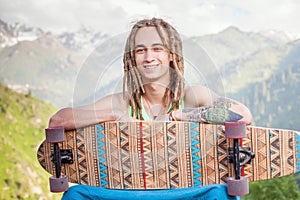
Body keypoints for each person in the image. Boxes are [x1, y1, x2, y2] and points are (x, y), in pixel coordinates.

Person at [49, 18, 252, 200]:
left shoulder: (192, 96)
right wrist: (113, 114)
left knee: (220, 193)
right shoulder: (121, 102)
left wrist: (178, 115)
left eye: (157, 48)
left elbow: (242, 113)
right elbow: (58, 120)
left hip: (185, 191)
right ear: (133, 58)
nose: (148, 57)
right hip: (128, 192)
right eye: (140, 50)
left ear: (171, 54)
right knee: (76, 194)